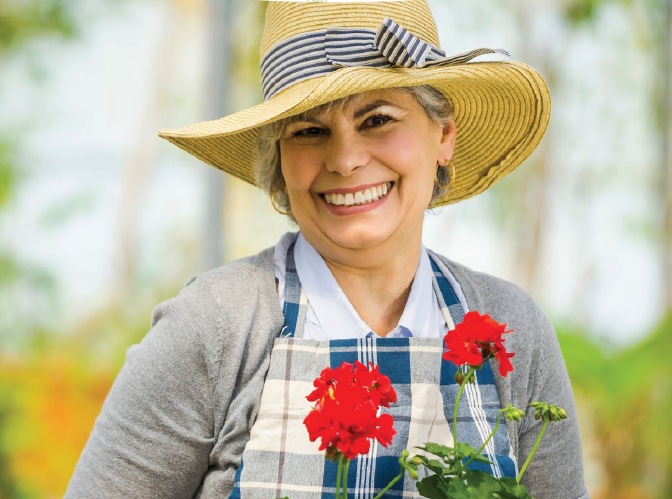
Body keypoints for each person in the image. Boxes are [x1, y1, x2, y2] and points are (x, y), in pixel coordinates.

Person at [65, 1, 588, 499]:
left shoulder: (512, 328)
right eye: (309, 130)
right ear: (279, 158)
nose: (344, 159)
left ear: (443, 133)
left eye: (378, 119)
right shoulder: (215, 325)